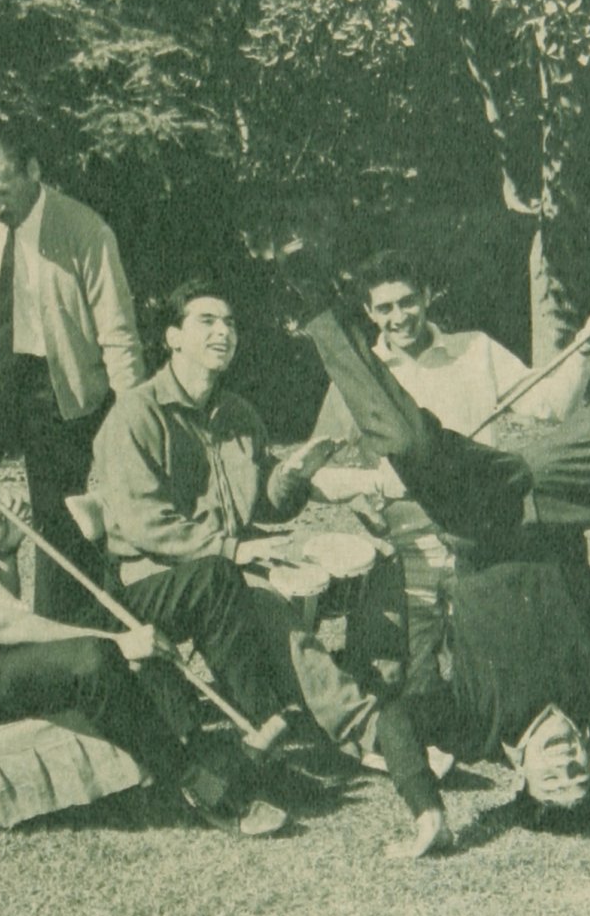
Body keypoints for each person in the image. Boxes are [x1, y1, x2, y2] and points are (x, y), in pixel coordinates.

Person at [274, 199, 590, 856]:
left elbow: (396, 720)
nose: (568, 763)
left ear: (521, 776)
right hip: (562, 495)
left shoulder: (474, 725)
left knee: (411, 443)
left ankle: (314, 305)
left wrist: (427, 812)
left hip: (481, 514)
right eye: (580, 774)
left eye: (553, 780)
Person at [0, 390, 286, 836]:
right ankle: (195, 784)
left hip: (6, 652)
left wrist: (4, 555)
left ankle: (264, 730)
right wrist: (119, 642)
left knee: (209, 578)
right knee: (94, 658)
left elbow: (2, 606)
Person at [90, 277, 403, 759]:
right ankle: (369, 731)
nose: (224, 332)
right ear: (173, 337)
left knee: (376, 558)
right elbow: (143, 523)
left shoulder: (237, 413)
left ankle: (383, 691)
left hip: (228, 561)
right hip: (155, 577)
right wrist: (232, 549)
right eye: (207, 321)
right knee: (270, 607)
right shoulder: (137, 414)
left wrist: (293, 474)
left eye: (230, 323)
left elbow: (265, 505)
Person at [310, 249, 590, 674]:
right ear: (368, 312)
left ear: (426, 295)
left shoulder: (476, 349)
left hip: (482, 536)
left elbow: (552, 405)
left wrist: (586, 344)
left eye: (407, 302)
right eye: (384, 308)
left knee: (495, 666)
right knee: (413, 676)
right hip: (409, 548)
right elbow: (314, 469)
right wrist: (367, 491)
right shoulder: (362, 376)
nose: (399, 317)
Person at [0, 125, 145, 620]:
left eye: (2, 193)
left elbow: (117, 332)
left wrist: (134, 417)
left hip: (58, 383)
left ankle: (60, 631)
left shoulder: (85, 231)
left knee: (61, 511)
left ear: (32, 171)